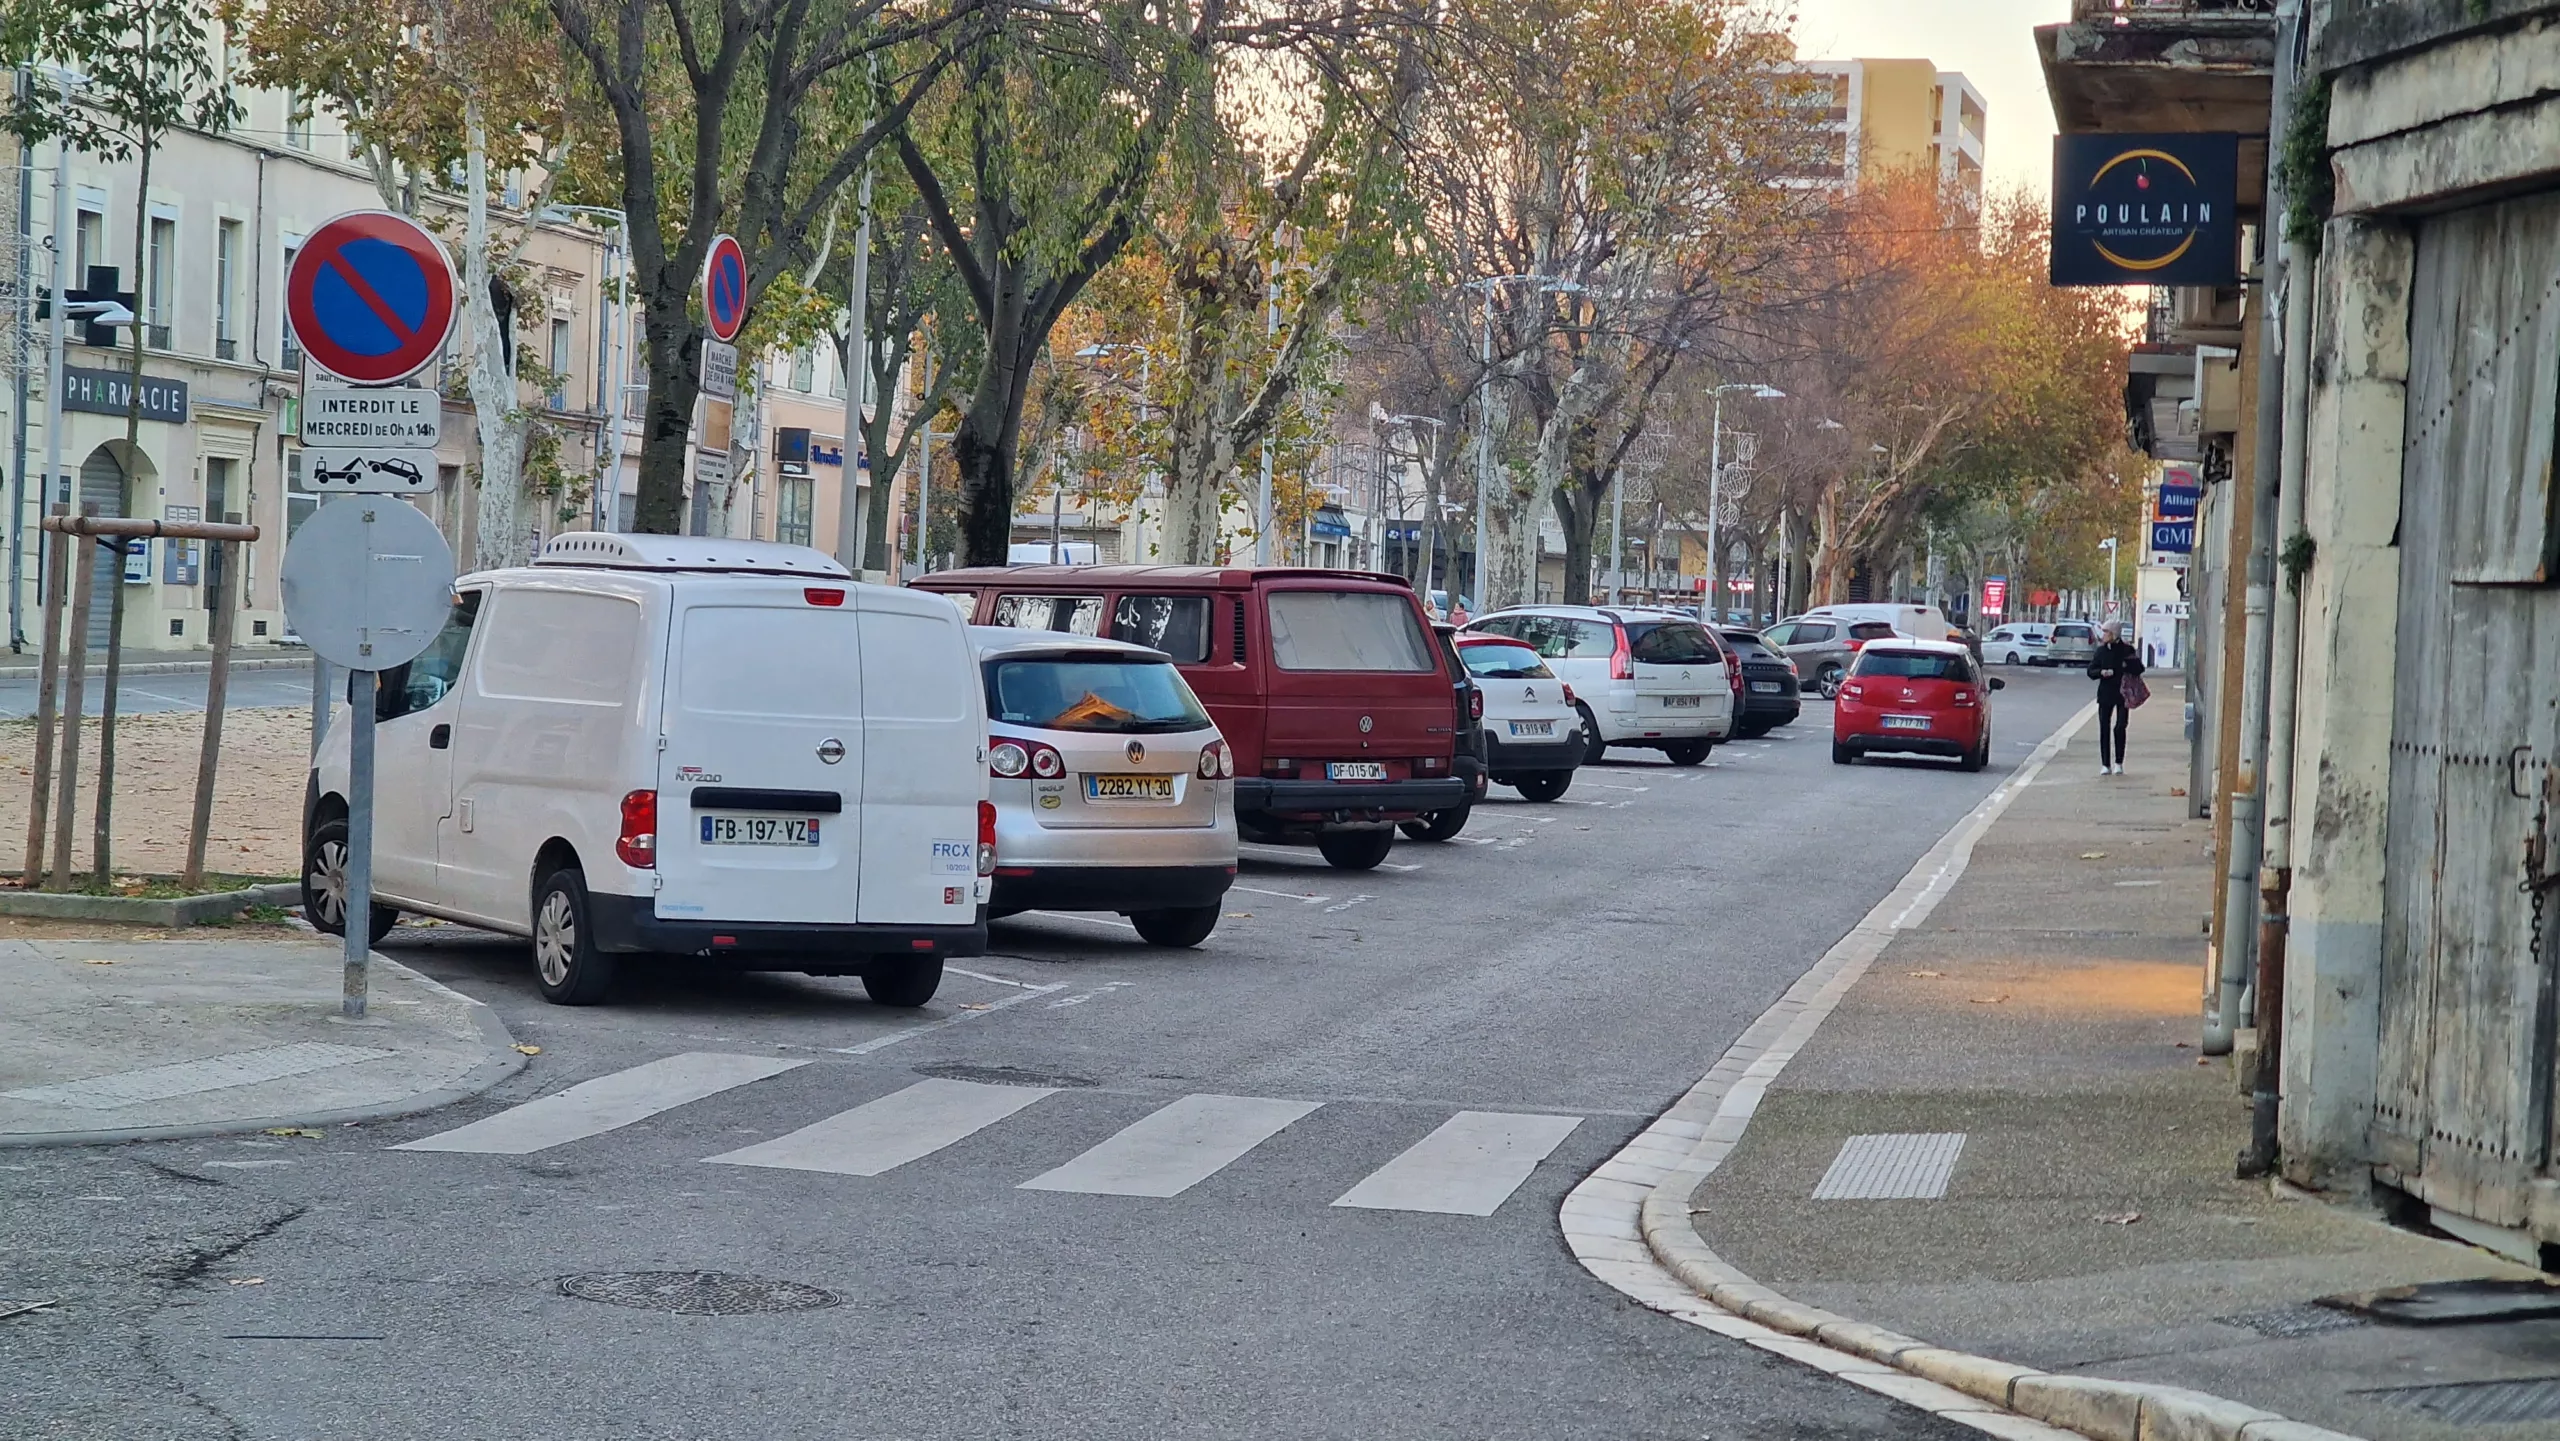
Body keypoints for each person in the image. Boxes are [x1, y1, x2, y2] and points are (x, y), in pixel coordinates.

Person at [2088, 621, 2144, 775]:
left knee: (2120, 727)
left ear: (2114, 634)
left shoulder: (2127, 650)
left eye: (2106, 632)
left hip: (2122, 694)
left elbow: (2139, 668)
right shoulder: (2100, 651)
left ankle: (2119, 762)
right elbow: (2091, 671)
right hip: (2105, 694)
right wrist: (2101, 672)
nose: (2103, 635)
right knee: (2104, 728)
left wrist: (2125, 666)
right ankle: (2105, 764)